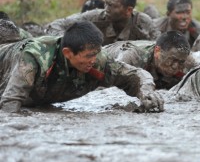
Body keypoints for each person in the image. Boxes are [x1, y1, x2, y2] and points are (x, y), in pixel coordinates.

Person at [0, 21, 164, 113]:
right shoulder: (35, 59)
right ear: (67, 53)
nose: (94, 60)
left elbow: (135, 75)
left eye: (96, 53)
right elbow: (9, 105)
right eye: (88, 56)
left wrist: (146, 92)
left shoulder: (100, 61)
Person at [46, 0, 159, 45]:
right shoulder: (95, 17)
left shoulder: (144, 23)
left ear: (128, 10)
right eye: (106, 3)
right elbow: (55, 25)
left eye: (112, 6)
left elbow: (160, 47)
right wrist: (68, 42)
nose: (106, 9)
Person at [104, 31, 195, 90]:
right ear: (157, 51)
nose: (175, 66)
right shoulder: (133, 56)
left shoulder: (188, 63)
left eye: (180, 62)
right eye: (171, 59)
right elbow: (112, 88)